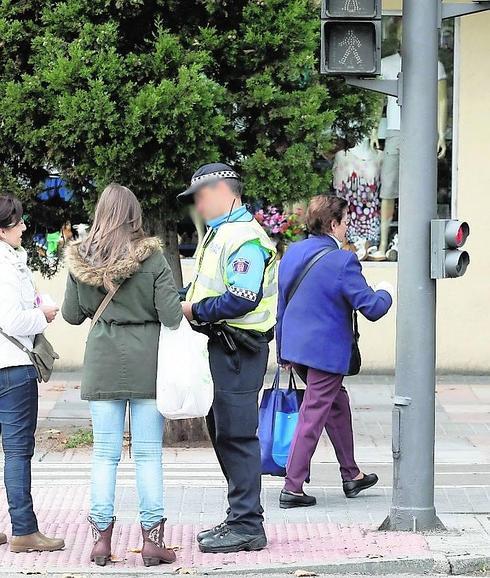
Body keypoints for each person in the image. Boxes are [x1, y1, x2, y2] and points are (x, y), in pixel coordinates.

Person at [62, 184, 183, 567]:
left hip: (102, 359)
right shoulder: (152, 259)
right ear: (135, 215)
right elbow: (172, 316)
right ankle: (152, 541)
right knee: (148, 454)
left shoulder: (81, 259)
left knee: (103, 454)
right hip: (148, 359)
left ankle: (100, 541)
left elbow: (71, 314)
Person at [179, 163, 277, 554]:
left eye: (200, 197)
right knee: (223, 431)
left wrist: (194, 310)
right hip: (222, 346)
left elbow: (241, 298)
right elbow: (211, 285)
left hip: (240, 347)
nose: (198, 206)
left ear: (223, 190)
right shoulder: (221, 233)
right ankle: (240, 516)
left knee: (236, 435)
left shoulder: (245, 238)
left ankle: (248, 524)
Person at [276, 195, 393, 508]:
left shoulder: (292, 252)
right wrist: (386, 290)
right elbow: (372, 308)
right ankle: (293, 487)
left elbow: (282, 304)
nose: (348, 226)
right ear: (333, 224)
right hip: (325, 352)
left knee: (336, 404)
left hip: (296, 348)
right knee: (313, 413)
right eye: (346, 220)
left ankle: (351, 475)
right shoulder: (343, 260)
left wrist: (282, 351)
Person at [0, 195, 65, 553]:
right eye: (18, 222)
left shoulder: (13, 261)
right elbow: (11, 319)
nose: (24, 227)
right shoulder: (7, 265)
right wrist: (45, 316)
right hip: (12, 368)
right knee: (16, 452)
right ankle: (24, 530)